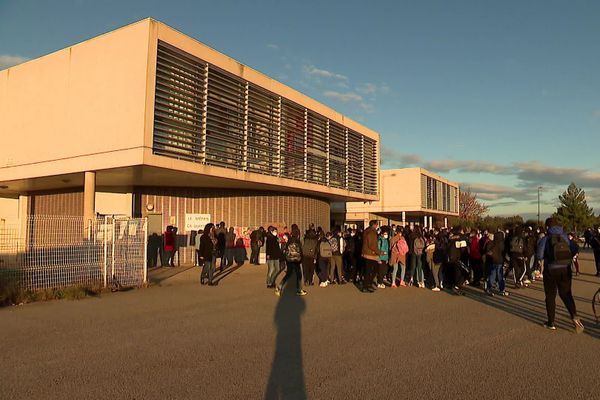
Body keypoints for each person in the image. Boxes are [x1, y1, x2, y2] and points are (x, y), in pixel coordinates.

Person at [536, 218, 584, 333]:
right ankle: (574, 316)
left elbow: (539, 255)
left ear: (547, 227)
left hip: (551, 270)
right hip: (566, 269)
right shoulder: (565, 237)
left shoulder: (545, 239)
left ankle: (551, 322)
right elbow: (574, 248)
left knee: (550, 296)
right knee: (566, 294)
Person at [275, 227, 307, 296]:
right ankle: (299, 290)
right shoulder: (297, 241)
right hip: (296, 260)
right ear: (298, 234)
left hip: (289, 260)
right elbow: (300, 251)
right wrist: (301, 259)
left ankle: (279, 287)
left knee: (288, 274)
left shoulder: (289, 240)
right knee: (299, 275)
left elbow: (286, 250)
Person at [485, 229, 508, 296]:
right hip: (500, 262)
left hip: (493, 261)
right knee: (500, 276)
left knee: (492, 275)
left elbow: (488, 252)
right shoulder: (502, 245)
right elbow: (505, 254)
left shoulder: (492, 243)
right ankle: (501, 289)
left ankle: (489, 288)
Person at [361, 220, 383, 293]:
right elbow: (372, 244)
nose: (377, 225)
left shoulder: (367, 231)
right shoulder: (372, 232)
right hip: (370, 254)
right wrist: (379, 252)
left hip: (366, 253)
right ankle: (366, 286)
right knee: (370, 271)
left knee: (369, 271)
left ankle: (368, 285)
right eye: (377, 224)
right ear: (374, 225)